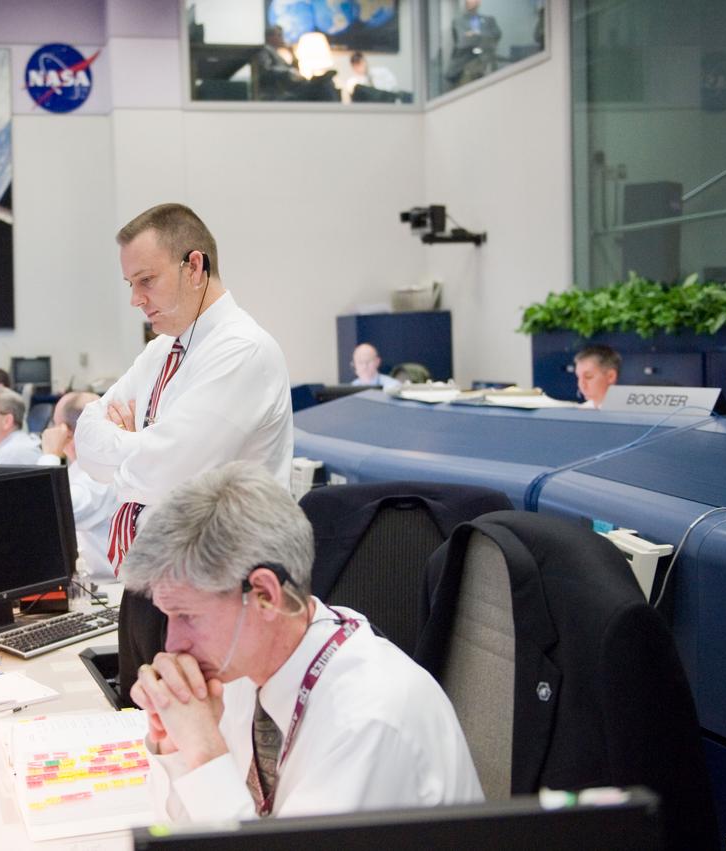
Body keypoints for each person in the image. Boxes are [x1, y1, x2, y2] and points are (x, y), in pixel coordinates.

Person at [126, 462, 483, 821]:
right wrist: (175, 747)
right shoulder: (241, 672)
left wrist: (204, 752)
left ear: (265, 595)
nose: (172, 645)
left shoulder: (369, 720)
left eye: (186, 616)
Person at [75, 202, 293, 701]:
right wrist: (139, 450)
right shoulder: (160, 351)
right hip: (145, 585)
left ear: (194, 267)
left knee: (193, 750)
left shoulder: (243, 351)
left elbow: (168, 474)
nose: (135, 299)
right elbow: (87, 439)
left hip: (213, 597)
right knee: (141, 746)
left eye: (146, 280)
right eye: (130, 283)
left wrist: (130, 455)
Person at [38, 391, 117, 580]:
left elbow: (43, 511)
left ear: (64, 431)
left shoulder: (100, 475)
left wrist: (51, 454)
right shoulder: (81, 467)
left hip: (110, 589)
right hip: (93, 586)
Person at [446, 0, 502, 88]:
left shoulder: (489, 20)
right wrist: (482, 36)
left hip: (486, 63)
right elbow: (462, 41)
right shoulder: (458, 21)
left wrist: (475, 34)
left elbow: (495, 36)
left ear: (479, 2)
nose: (468, 1)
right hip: (465, 64)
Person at [574, 344, 620, 409]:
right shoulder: (578, 413)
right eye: (578, 377)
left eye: (588, 377)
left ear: (610, 376)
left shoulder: (630, 414)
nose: (581, 384)